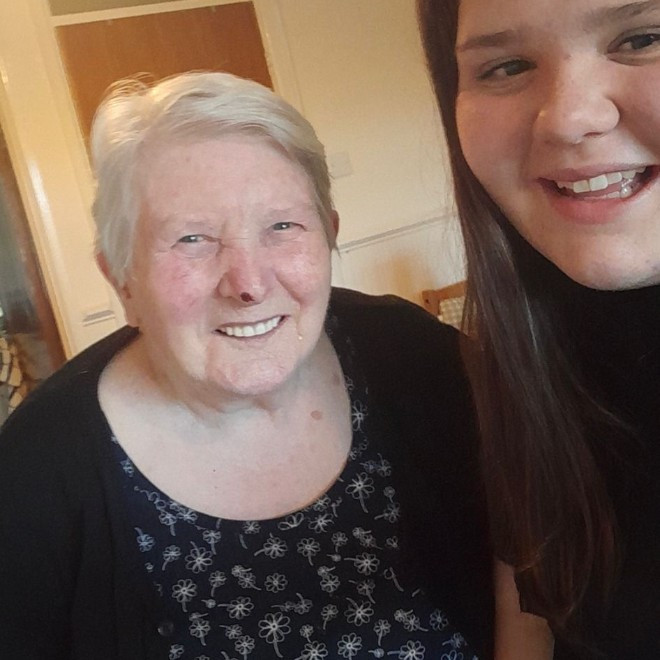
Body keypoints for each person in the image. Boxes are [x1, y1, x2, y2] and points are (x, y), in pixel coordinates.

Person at [0, 72, 493, 659]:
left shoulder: (416, 357)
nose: (250, 283)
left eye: (282, 226)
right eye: (192, 238)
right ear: (122, 279)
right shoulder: (34, 475)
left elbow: (533, 546)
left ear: (329, 236)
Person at [418, 0, 660, 658]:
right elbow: (531, 612)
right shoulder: (519, 364)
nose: (570, 118)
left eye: (643, 38)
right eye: (507, 67)